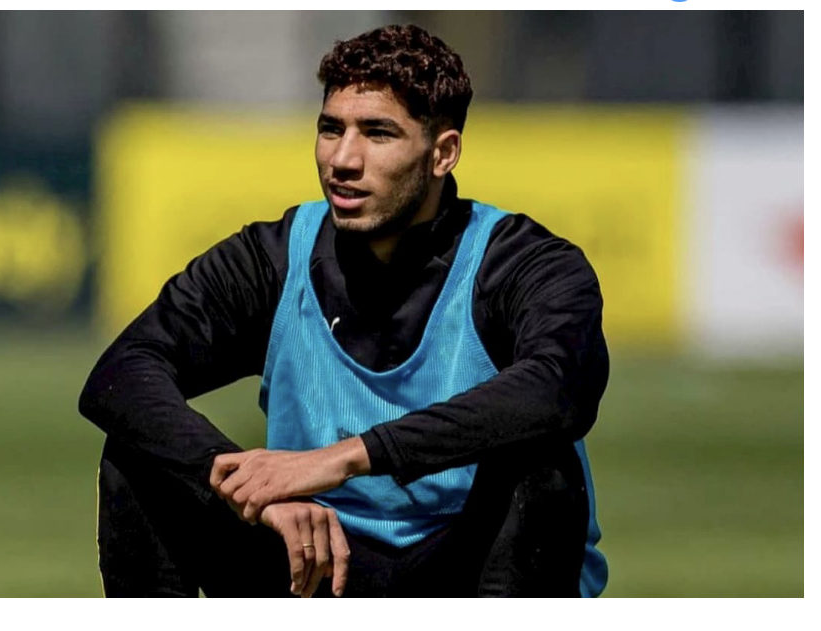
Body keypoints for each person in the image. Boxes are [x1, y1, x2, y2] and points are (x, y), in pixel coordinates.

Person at [79, 23, 609, 598]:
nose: (343, 159)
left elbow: (559, 389)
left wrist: (345, 459)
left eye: (378, 133)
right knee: (142, 453)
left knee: (541, 462)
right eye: (331, 129)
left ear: (443, 153)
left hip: (462, 569)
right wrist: (247, 484)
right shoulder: (273, 257)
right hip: (312, 562)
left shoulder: (522, 263)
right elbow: (121, 373)